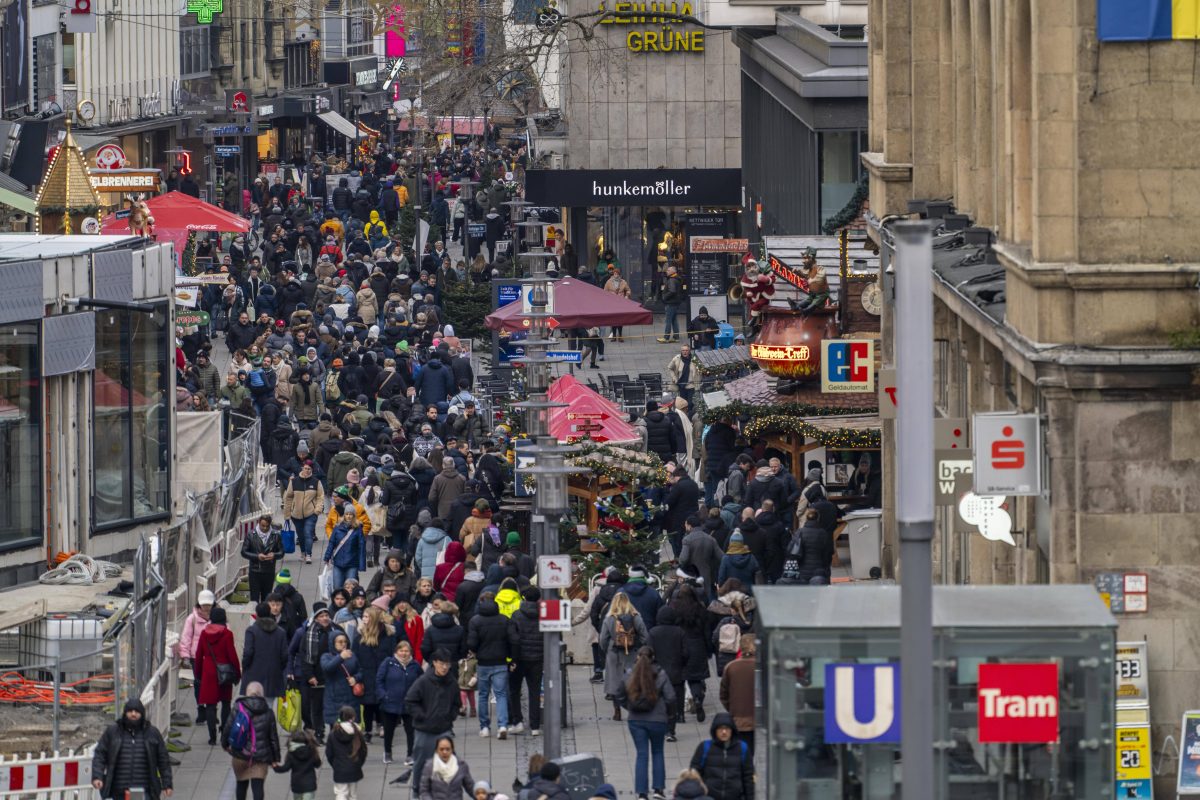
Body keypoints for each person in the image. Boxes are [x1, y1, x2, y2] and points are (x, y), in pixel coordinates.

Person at [615, 646, 676, 800]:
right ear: (653, 657)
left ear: (637, 657)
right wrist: (668, 714)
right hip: (657, 719)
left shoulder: (629, 674)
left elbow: (619, 694)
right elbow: (670, 697)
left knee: (641, 755)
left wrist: (628, 707)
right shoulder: (661, 674)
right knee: (658, 752)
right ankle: (658, 790)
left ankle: (642, 793)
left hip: (636, 720)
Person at [406, 649, 462, 800]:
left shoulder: (452, 683)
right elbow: (410, 700)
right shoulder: (423, 681)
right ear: (435, 663)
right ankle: (417, 791)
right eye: (442, 664)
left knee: (451, 762)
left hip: (444, 729)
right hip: (424, 730)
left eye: (447, 664)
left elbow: (457, 703)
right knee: (420, 763)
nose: (445, 667)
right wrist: (421, 716)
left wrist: (451, 716)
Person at [91, 699, 173, 799]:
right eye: (130, 711)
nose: (133, 714)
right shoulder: (112, 732)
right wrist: (97, 776)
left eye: (137, 711)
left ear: (142, 714)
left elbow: (163, 760)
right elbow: (100, 755)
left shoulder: (152, 733)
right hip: (118, 791)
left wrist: (167, 784)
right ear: (125, 713)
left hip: (145, 791)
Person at [466, 593, 517, 738]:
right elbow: (513, 640)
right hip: (500, 661)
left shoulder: (475, 621)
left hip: (483, 662)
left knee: (483, 695)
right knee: (500, 694)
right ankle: (502, 725)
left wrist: (475, 651)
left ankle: (485, 727)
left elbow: (472, 643)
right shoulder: (504, 620)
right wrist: (512, 658)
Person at [222, 681, 282, 800]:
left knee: (241, 784)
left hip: (240, 754)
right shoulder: (268, 712)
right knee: (258, 787)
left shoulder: (238, 708)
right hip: (260, 756)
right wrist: (275, 759)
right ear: (261, 694)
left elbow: (228, 728)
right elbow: (273, 738)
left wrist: (225, 745)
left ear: (247, 693)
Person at [599, 591, 650, 721]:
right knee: (632, 681)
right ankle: (633, 709)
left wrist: (607, 650)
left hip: (614, 653)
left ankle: (617, 711)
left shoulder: (609, 618)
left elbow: (603, 639)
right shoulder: (635, 617)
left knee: (615, 682)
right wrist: (640, 648)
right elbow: (645, 636)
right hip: (632, 653)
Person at [196, 606, 240, 745]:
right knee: (226, 703)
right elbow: (232, 655)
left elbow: (198, 655)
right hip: (224, 672)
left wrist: (198, 674)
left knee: (210, 705)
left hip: (208, 673)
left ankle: (212, 736)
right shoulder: (227, 634)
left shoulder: (204, 634)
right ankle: (224, 734)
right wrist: (237, 673)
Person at [377, 639, 423, 765]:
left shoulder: (415, 665)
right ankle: (387, 752)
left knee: (411, 730)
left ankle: (410, 754)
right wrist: (383, 695)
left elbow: (421, 681)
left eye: (406, 651)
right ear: (396, 651)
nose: (404, 653)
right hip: (390, 702)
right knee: (389, 730)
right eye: (401, 650)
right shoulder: (388, 663)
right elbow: (379, 680)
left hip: (409, 703)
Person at [689, 713, 755, 800]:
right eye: (720, 728)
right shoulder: (705, 747)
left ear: (732, 730)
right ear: (715, 730)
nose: (724, 732)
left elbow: (749, 778)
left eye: (727, 728)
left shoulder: (742, 748)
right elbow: (693, 774)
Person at [506, 586, 544, 735]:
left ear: (524, 598)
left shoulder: (516, 615)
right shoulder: (543, 615)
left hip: (520, 658)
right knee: (534, 692)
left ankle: (517, 721)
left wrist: (513, 659)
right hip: (538, 658)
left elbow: (513, 639)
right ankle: (535, 726)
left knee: (514, 691)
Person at [646, 606, 686, 742]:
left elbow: (648, 652)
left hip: (657, 674)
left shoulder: (653, 632)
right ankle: (671, 730)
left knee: (659, 702)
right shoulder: (680, 632)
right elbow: (686, 652)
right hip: (676, 672)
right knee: (673, 702)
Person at [241, 602, 289, 703]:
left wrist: (245, 666)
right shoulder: (280, 632)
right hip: (273, 676)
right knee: (269, 707)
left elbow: (248, 652)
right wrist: (278, 668)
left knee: (252, 708)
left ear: (257, 614)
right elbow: (284, 656)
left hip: (253, 675)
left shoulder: (251, 631)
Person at [179, 589, 215, 723]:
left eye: (209, 604)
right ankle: (201, 709)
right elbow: (186, 637)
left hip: (213, 657)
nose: (206, 607)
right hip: (197, 657)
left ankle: (211, 710)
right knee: (199, 683)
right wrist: (185, 655)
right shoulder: (192, 619)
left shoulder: (217, 616)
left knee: (211, 684)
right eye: (204, 604)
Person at [719, 635, 757, 757]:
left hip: (737, 718)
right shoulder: (761, 667)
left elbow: (723, 694)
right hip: (758, 718)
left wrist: (731, 709)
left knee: (741, 752)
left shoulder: (731, 666)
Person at [321, 632, 363, 736]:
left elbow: (360, 671)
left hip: (351, 698)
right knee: (336, 731)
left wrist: (355, 678)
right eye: (340, 642)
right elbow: (328, 668)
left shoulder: (352, 656)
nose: (343, 644)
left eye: (345, 641)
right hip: (334, 699)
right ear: (333, 643)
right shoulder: (326, 656)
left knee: (352, 730)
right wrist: (340, 657)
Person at [779, 508, 833, 586]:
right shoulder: (823, 533)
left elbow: (790, 551)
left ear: (806, 518)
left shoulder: (800, 532)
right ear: (818, 518)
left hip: (802, 571)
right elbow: (828, 553)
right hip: (818, 571)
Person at [285, 462, 326, 564]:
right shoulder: (294, 482)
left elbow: (320, 496)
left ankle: (308, 555)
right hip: (296, 514)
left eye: (309, 469)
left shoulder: (316, 482)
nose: (307, 471)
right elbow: (288, 497)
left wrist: (317, 510)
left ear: (311, 470)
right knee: (301, 535)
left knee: (308, 533)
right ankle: (303, 552)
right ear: (302, 469)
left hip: (311, 513)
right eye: (305, 468)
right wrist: (287, 514)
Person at [326, 706, 368, 800]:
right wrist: (358, 763)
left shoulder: (333, 734)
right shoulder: (357, 732)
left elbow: (329, 753)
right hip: (354, 766)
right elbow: (363, 751)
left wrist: (335, 764)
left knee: (341, 793)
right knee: (353, 794)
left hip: (339, 768)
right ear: (353, 717)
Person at [243, 515, 284, 603]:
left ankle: (266, 615)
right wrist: (257, 556)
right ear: (259, 523)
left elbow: (281, 552)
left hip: (269, 571)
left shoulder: (276, 535)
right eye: (263, 525)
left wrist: (274, 555)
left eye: (267, 526)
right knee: (254, 598)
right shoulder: (251, 534)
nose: (265, 528)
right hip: (255, 571)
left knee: (267, 597)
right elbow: (244, 552)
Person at [419, 736, 475, 800]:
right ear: (436, 750)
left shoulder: (461, 765)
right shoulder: (429, 766)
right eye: (441, 749)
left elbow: (470, 787)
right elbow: (424, 791)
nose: (444, 752)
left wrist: (482, 795)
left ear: (452, 749)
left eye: (447, 749)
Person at [274, 730, 322, 800]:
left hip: (297, 784)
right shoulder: (312, 751)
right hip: (310, 784)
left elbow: (285, 768)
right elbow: (317, 764)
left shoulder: (291, 753)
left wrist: (276, 767)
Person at [325, 507, 365, 588]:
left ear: (354, 516)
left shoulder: (358, 529)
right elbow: (332, 543)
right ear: (344, 515)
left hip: (352, 563)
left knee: (350, 588)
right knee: (337, 587)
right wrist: (327, 556)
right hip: (338, 563)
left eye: (351, 514)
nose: (349, 516)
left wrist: (362, 564)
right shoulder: (337, 527)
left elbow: (361, 547)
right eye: (347, 514)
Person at [659, 264, 684, 343]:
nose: (667, 271)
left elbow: (672, 291)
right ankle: (676, 337)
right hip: (675, 302)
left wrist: (664, 297)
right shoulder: (676, 279)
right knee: (674, 320)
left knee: (668, 320)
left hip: (671, 303)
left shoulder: (672, 280)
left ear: (673, 271)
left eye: (668, 270)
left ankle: (666, 338)